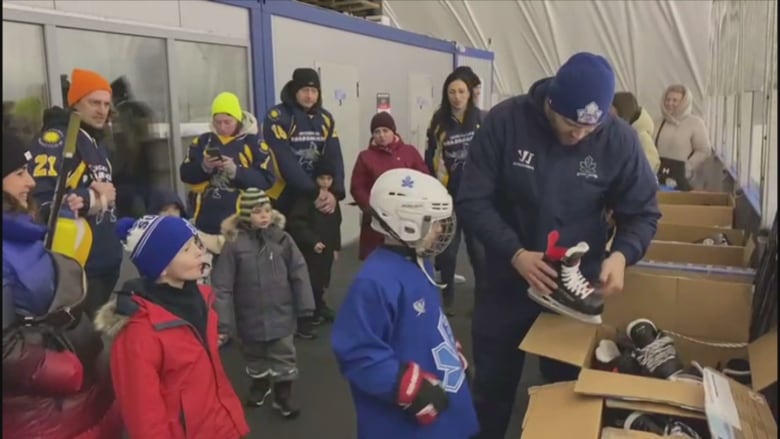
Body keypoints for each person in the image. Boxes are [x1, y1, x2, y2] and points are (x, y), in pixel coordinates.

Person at [456, 52, 660, 439]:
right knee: (492, 390)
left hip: (573, 294)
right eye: (570, 124)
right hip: (507, 281)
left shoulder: (618, 139)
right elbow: (472, 200)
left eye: (590, 127)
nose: (579, 135)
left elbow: (644, 214)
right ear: (551, 102)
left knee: (567, 393)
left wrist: (622, 255)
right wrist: (515, 253)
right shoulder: (505, 122)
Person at [331, 168, 478, 439]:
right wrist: (407, 387)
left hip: (445, 407)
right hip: (406, 423)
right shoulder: (374, 281)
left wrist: (452, 358)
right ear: (405, 223)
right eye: (433, 222)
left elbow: (431, 324)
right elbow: (357, 351)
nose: (441, 229)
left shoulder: (418, 264)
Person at [3, 129, 122, 439]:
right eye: (19, 173)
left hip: (73, 400)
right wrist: (55, 369)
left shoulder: (23, 230)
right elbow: (6, 348)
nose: (30, 181)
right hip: (38, 413)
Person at [95, 215, 249, 439]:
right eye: (187, 249)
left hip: (222, 425)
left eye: (196, 243)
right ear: (162, 266)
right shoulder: (139, 333)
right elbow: (144, 416)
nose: (199, 251)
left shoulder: (202, 302)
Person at [29, 68, 123, 317]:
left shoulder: (95, 141)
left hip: (105, 261)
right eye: (94, 102)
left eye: (106, 103)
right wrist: (90, 198)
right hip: (78, 265)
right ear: (75, 104)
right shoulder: (57, 140)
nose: (102, 110)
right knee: (84, 343)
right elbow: (42, 204)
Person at [212, 188, 315, 417]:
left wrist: (305, 305)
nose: (264, 216)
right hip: (249, 314)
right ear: (246, 214)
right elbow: (223, 285)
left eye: (267, 210)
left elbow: (299, 271)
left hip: (281, 311)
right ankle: (260, 385)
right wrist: (224, 321)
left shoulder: (282, 239)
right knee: (254, 354)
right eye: (258, 212)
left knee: (284, 354)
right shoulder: (234, 244)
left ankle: (283, 395)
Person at [179, 91, 275, 265]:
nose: (222, 127)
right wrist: (204, 167)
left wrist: (236, 172)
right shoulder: (203, 142)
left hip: (241, 227)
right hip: (205, 224)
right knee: (207, 281)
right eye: (218, 122)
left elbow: (267, 180)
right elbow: (185, 174)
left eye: (227, 122)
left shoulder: (254, 143)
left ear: (238, 119)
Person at [425, 69, 486, 316]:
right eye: (452, 92)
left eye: (461, 91)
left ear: (470, 94)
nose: (457, 97)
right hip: (449, 197)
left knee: (479, 252)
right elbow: (432, 158)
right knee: (447, 251)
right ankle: (447, 296)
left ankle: (483, 300)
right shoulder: (438, 122)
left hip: (478, 198)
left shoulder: (482, 119)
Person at [262, 68, 346, 217]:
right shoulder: (277, 116)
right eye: (305, 90)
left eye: (314, 91)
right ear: (295, 91)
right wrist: (312, 192)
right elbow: (284, 159)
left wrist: (336, 193)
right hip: (285, 194)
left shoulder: (325, 118)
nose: (309, 96)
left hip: (320, 194)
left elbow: (334, 157)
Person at [350, 112, 429, 260]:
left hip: (407, 215)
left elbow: (424, 178)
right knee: (377, 260)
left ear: (393, 131)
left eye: (385, 131)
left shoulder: (409, 152)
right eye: (376, 132)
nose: (381, 135)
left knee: (409, 259)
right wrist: (371, 208)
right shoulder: (365, 157)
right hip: (377, 218)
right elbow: (357, 187)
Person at [288, 159, 342, 326]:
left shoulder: (333, 199)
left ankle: (319, 306)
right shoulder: (306, 198)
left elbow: (336, 223)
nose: (325, 183)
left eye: (329, 179)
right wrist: (312, 241)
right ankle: (309, 312)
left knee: (323, 280)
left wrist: (335, 247)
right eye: (322, 179)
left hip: (326, 248)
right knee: (311, 281)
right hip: (311, 250)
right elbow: (297, 223)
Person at [655, 84, 712, 190]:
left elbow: (704, 150)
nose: (670, 103)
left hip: (684, 180)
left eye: (675, 100)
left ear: (684, 102)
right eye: (667, 99)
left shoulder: (696, 123)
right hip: (659, 177)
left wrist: (687, 167)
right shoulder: (658, 122)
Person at [611, 91, 661, 173]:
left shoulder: (641, 135)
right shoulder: (619, 129)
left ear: (623, 110)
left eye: (613, 109)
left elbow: (652, 162)